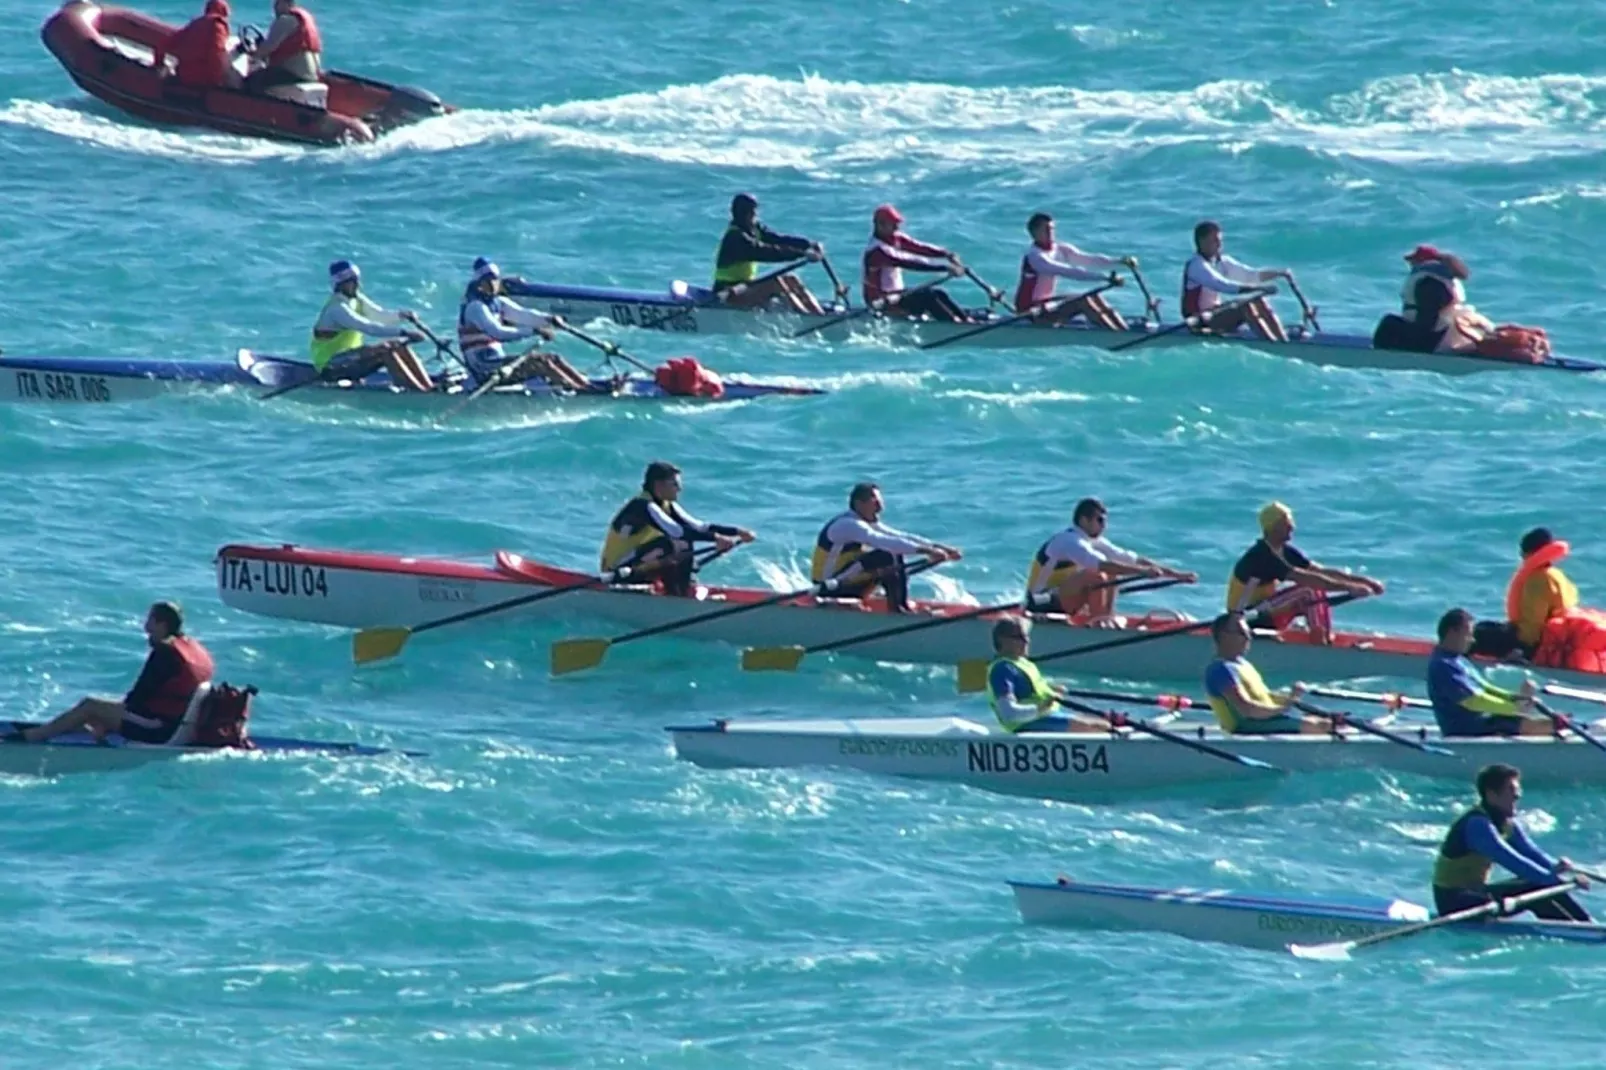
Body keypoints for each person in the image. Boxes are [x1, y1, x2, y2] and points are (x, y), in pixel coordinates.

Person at [13, 602, 214, 745]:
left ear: (162, 625)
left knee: (89, 705)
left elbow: (138, 699)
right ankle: (71, 730)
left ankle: (33, 737)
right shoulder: (193, 649)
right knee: (99, 709)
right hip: (172, 723)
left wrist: (107, 717)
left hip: (157, 730)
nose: (146, 628)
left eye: (150, 622)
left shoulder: (165, 652)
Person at [1432, 763, 1591, 920]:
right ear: (1492, 794)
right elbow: (1514, 862)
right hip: (1454, 901)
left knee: (1543, 884)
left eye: (1517, 789)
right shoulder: (1477, 825)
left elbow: (1531, 853)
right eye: (1511, 789)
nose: (1518, 795)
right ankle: (1582, 932)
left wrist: (1557, 868)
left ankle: (1589, 925)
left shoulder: (1507, 822)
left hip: (1477, 891)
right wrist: (1558, 881)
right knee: (1539, 891)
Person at [1226, 501, 1384, 644]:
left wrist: (1364, 581)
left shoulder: (1285, 551)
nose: (1292, 527)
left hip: (1265, 610)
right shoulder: (1262, 555)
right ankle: (1318, 641)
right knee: (1308, 590)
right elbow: (1306, 578)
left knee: (1313, 590)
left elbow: (1319, 571)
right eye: (1286, 524)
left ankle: (1323, 636)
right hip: (1244, 618)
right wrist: (1350, 588)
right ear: (1272, 527)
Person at [1026, 497, 1195, 622]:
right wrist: (1143, 573)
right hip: (1040, 602)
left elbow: (1131, 559)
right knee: (1098, 575)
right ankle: (1098, 623)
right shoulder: (1069, 541)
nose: (1104, 526)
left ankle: (1105, 618)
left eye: (1105, 520)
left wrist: (1177, 575)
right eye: (1099, 520)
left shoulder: (1093, 541)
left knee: (1112, 576)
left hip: (1061, 598)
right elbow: (1103, 565)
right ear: (1084, 520)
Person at [601, 462, 755, 597]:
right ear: (659, 485)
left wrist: (737, 531)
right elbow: (676, 532)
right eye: (674, 484)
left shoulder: (666, 505)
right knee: (670, 543)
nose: (680, 489)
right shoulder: (642, 506)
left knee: (683, 543)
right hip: (617, 570)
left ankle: (681, 590)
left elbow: (699, 527)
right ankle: (677, 594)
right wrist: (716, 538)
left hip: (639, 561)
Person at [811, 482, 962, 613]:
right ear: (859, 504)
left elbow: (901, 537)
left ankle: (900, 605)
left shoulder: (866, 522)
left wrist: (941, 548)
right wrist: (928, 552)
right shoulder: (848, 525)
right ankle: (897, 609)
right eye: (876, 503)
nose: (881, 508)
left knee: (895, 554)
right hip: (830, 587)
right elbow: (883, 541)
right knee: (886, 554)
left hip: (850, 582)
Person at [458, 258, 591, 392]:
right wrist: (534, 331)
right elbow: (498, 332)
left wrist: (549, 319)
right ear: (479, 284)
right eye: (487, 281)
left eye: (495, 280)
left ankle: (586, 386)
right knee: (541, 363)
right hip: (483, 367)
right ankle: (578, 391)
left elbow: (524, 315)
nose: (493, 285)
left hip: (496, 361)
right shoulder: (475, 307)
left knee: (553, 358)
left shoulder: (498, 302)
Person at [310, 260, 434, 392]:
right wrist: (404, 333)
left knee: (398, 346)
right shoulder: (337, 309)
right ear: (340, 284)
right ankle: (415, 391)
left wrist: (402, 315)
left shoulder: (357, 299)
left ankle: (428, 387)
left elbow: (379, 315)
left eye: (357, 280)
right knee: (386, 350)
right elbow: (368, 327)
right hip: (330, 366)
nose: (358, 285)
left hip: (351, 358)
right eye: (353, 281)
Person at [1427, 608, 1550, 737]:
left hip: (1479, 722)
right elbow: (1474, 700)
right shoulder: (1443, 666)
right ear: (1453, 632)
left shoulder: (1458, 660)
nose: (1472, 640)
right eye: (1468, 634)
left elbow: (1485, 688)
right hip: (1464, 730)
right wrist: (1514, 708)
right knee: (1521, 723)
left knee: (1530, 721)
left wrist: (1513, 698)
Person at [1203, 612, 1325, 734]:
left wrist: (1290, 699)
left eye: (1249, 633)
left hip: (1263, 721)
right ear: (1224, 636)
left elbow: (1265, 696)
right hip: (1246, 728)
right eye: (1243, 633)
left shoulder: (1243, 664)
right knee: (1321, 726)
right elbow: (1247, 709)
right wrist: (1282, 709)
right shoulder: (1219, 670)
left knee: (1326, 721)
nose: (1248, 638)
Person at [986, 618, 1106, 733]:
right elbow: (1008, 713)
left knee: (1102, 722)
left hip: (1044, 717)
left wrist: (1051, 689)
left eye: (1027, 636)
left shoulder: (1023, 663)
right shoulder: (1002, 669)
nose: (1027, 641)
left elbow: (1030, 690)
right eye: (1020, 637)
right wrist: (1039, 708)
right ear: (1003, 640)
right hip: (1025, 725)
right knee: (1097, 727)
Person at [712, 194, 826, 315]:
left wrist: (808, 245)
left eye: (754, 211)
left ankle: (819, 314)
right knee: (776, 283)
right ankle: (806, 318)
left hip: (746, 287)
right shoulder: (735, 238)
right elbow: (768, 252)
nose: (755, 215)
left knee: (792, 279)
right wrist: (802, 254)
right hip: (728, 293)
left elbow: (778, 240)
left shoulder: (754, 229)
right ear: (743, 214)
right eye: (752, 212)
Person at [1014, 213, 1130, 329]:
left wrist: (1120, 261)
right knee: (1083, 301)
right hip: (1031, 313)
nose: (1050, 233)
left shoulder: (1060, 249)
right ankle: (1113, 335)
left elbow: (1088, 259)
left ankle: (1123, 330)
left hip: (1047, 307)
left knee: (1094, 297)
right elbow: (1068, 271)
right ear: (1034, 234)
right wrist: (1105, 278)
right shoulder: (1035, 257)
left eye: (1051, 229)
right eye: (1046, 229)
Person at [1181, 221, 1290, 342]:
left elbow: (1250, 275)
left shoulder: (1221, 261)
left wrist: (1279, 273)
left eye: (1220, 241)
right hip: (1200, 321)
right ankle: (1270, 344)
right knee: (1246, 307)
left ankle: (1283, 341)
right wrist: (1260, 288)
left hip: (1216, 312)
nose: (1219, 245)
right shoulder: (1196, 265)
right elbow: (1222, 285)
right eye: (1215, 241)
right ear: (1202, 242)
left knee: (1259, 300)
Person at [861, 204, 969, 323]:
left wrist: (946, 254)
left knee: (939, 293)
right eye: (893, 224)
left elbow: (919, 248)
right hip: (883, 302)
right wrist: (945, 268)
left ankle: (966, 320)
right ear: (880, 225)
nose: (897, 227)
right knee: (928, 297)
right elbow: (909, 263)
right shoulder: (877, 251)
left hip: (897, 294)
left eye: (898, 224)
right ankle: (953, 324)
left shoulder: (895, 238)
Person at [1507, 527, 1580, 654]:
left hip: (1536, 645)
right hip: (1558, 640)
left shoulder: (1538, 580)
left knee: (1481, 634)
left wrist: (1519, 647)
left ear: (1529, 553)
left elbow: (1533, 626)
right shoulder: (1556, 575)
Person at [243, 0, 322, 94]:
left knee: (253, 80)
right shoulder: (302, 19)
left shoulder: (285, 20)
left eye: (278, 3)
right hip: (312, 75)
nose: (275, 7)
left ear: (288, 4)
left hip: (293, 74)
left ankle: (254, 106)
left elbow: (267, 48)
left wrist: (252, 54)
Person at [153, 0, 235, 89]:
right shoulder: (218, 27)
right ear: (224, 12)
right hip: (202, 79)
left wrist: (159, 64)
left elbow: (163, 44)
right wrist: (216, 81)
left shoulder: (194, 25)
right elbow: (216, 54)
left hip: (184, 74)